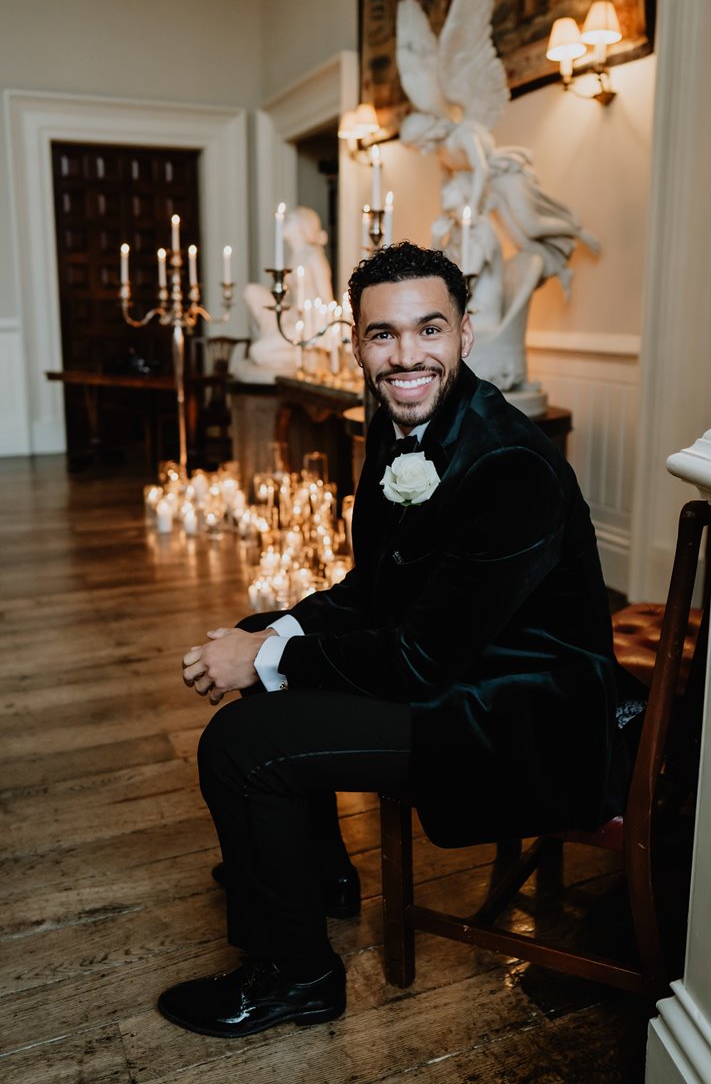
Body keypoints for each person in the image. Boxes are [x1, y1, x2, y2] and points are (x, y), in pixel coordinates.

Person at [157, 241, 645, 1039]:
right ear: (357, 343)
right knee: (264, 645)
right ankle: (315, 878)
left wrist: (266, 659)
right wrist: (271, 633)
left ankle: (298, 977)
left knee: (242, 747)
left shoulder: (510, 466)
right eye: (383, 335)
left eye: (429, 330)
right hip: (460, 669)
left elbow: (419, 659)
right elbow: (372, 591)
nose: (406, 354)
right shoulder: (398, 423)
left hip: (522, 711)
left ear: (465, 334)